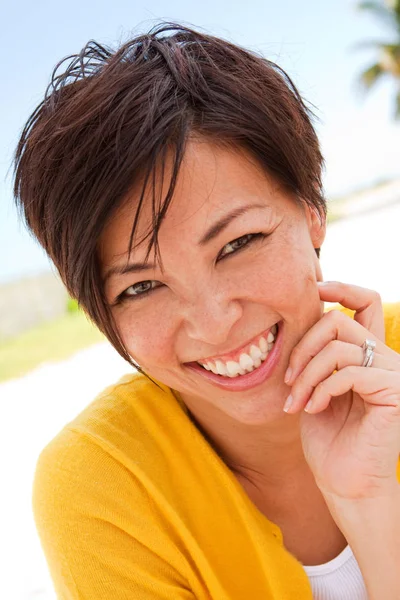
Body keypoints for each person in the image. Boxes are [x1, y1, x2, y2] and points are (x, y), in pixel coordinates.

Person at [14, 22, 400, 600]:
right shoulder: (105, 483)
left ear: (311, 208)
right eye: (141, 287)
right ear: (100, 314)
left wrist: (371, 501)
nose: (214, 322)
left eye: (237, 244)